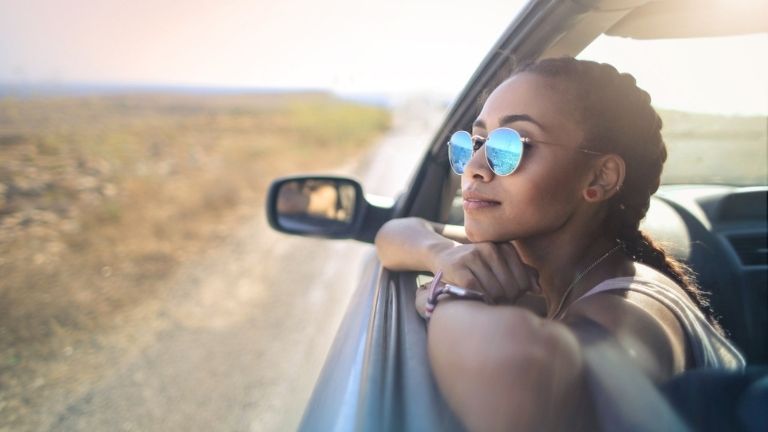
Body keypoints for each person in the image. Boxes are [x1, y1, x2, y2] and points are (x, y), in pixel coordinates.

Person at [374, 57, 745, 431]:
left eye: (510, 146)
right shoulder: (528, 257)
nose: (474, 167)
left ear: (600, 177)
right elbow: (397, 232)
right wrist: (441, 255)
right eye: (475, 142)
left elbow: (522, 386)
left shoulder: (638, 304)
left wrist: (450, 294)